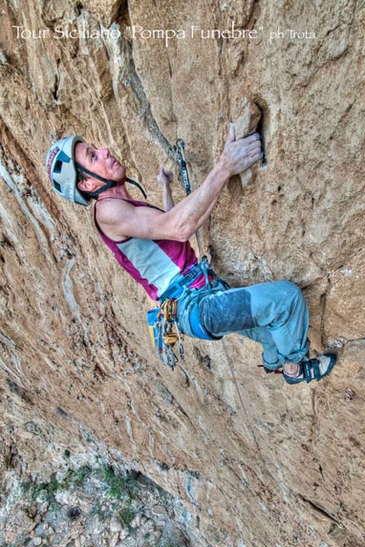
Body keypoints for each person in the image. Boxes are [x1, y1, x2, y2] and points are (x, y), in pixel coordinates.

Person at [46, 127, 336, 384]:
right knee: (286, 299)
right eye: (93, 156)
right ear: (87, 184)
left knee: (273, 333)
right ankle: (294, 370)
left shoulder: (123, 208)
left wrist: (166, 188)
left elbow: (177, 223)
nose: (105, 151)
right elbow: (179, 226)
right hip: (195, 306)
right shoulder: (107, 211)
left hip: (200, 295)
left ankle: (275, 362)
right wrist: (224, 167)